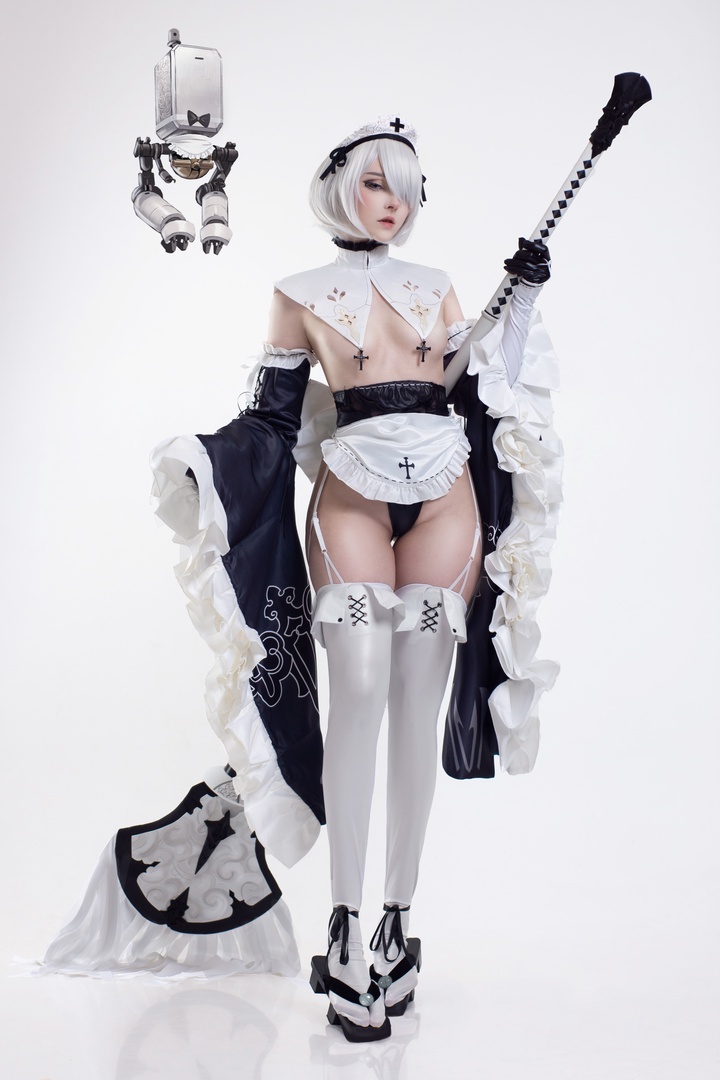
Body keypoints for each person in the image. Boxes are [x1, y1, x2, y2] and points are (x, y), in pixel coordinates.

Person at [256, 117, 553, 1041]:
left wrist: (519, 303)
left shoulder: (436, 283)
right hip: (351, 494)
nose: (395, 202)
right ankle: (343, 928)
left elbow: (479, 382)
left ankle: (395, 923)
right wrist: (211, 464)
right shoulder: (296, 293)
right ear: (341, 184)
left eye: (409, 187)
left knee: (415, 704)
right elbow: (270, 419)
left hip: (445, 502)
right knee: (359, 689)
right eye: (379, 182)